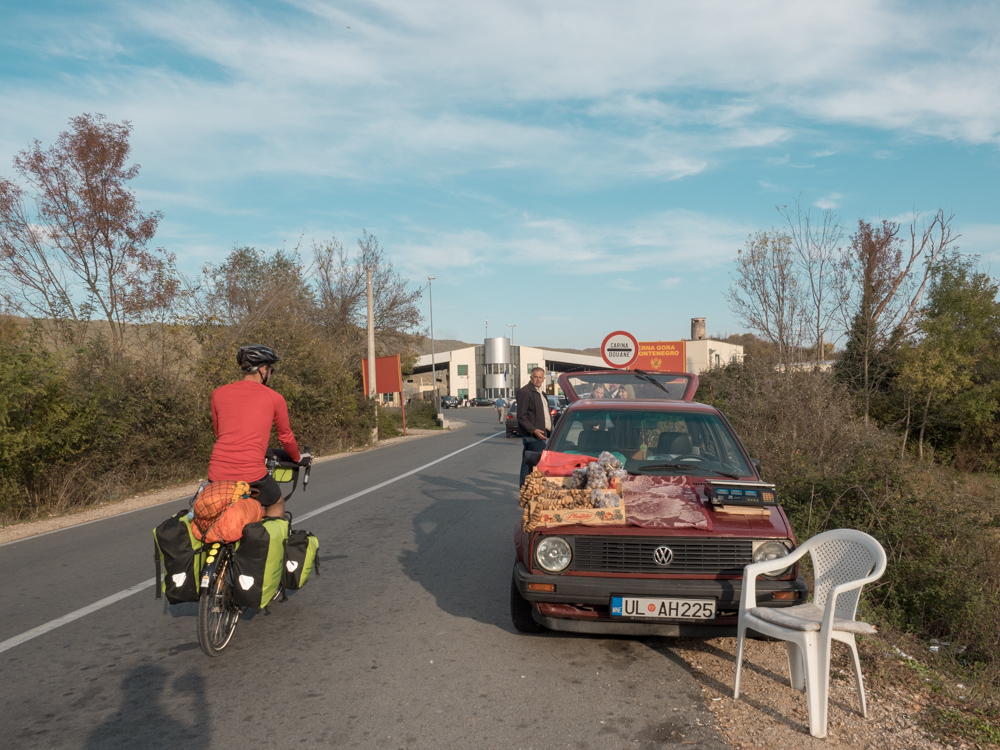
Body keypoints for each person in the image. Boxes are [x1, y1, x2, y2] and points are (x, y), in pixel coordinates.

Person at [208, 345, 311, 519]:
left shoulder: (218, 393)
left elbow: (219, 433)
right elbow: (285, 437)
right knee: (276, 502)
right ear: (263, 369)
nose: (270, 374)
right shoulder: (274, 398)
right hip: (252, 474)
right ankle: (268, 541)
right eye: (271, 370)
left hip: (217, 473)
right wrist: (298, 458)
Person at [516, 367, 551, 487]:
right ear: (531, 378)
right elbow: (521, 416)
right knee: (534, 466)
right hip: (533, 435)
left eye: (540, 377)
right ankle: (529, 490)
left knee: (529, 464)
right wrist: (534, 430)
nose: (538, 379)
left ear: (543, 379)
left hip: (541, 434)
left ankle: (525, 490)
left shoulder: (541, 393)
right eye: (535, 377)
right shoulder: (525, 392)